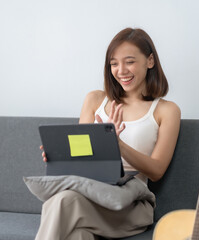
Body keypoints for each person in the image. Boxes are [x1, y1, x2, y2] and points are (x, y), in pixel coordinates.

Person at [37, 27, 181, 240]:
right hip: (91, 193)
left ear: (150, 61)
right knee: (78, 234)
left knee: (62, 201)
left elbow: (156, 170)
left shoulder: (166, 110)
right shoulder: (95, 100)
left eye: (129, 61)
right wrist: (61, 157)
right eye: (114, 63)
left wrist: (117, 144)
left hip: (131, 202)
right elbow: (81, 157)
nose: (121, 70)